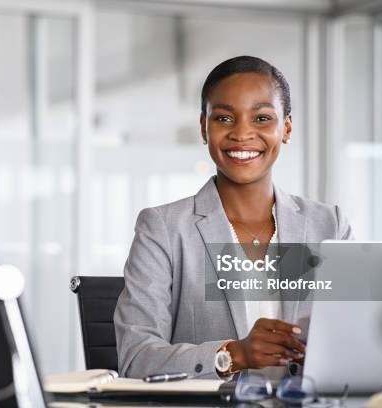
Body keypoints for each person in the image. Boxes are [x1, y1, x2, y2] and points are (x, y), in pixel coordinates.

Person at [113, 56, 353, 381]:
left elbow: (357, 341)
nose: (242, 133)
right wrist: (234, 354)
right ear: (203, 127)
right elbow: (136, 358)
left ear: (287, 128)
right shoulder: (163, 229)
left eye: (262, 118)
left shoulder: (329, 225)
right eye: (224, 118)